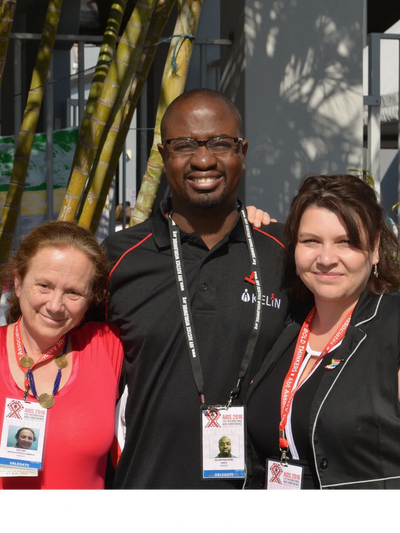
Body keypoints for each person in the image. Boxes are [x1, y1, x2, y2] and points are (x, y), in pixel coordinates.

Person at [105, 88, 290, 492]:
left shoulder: (284, 256)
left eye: (220, 143)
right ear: (162, 154)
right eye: (185, 144)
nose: (203, 159)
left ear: (242, 150)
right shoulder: (118, 260)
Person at [246, 174, 400, 492]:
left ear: (373, 250)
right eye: (311, 241)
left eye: (346, 242)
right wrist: (241, 229)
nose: (326, 259)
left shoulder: (393, 328)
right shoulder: (288, 326)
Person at [0, 221, 124, 492]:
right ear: (18, 282)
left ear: (90, 298)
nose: (55, 305)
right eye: (44, 285)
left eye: (73, 292)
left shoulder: (105, 345)